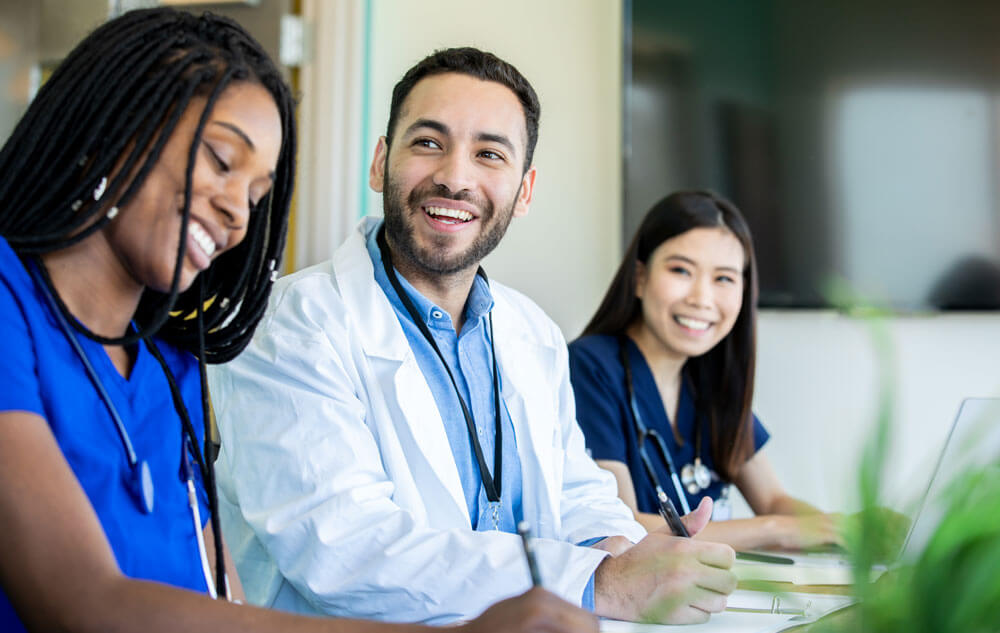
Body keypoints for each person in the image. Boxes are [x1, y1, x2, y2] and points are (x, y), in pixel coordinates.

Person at [0, 10, 597, 633]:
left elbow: (219, 604)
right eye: (221, 160)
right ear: (114, 124)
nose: (237, 211)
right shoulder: (9, 307)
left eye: (259, 193)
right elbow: (85, 604)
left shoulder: (166, 365)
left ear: (525, 190)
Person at [208, 47, 736, 627]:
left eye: (489, 154)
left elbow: (572, 488)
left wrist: (618, 546)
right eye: (428, 142)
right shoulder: (290, 323)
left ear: (524, 190)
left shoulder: (532, 331)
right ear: (381, 162)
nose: (455, 177)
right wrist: (599, 582)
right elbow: (342, 550)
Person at [568, 191, 841, 551]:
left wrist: (843, 532)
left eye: (724, 278)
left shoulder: (710, 380)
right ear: (639, 277)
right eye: (681, 270)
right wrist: (778, 529)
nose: (702, 298)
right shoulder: (589, 367)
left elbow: (774, 501)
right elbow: (623, 522)